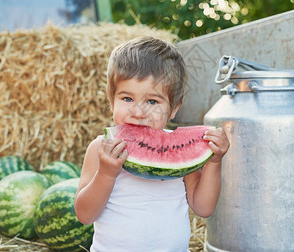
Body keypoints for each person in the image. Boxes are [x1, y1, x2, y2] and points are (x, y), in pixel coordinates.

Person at [74, 36, 230, 252]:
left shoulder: (177, 153)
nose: (138, 112)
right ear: (111, 101)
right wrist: (106, 174)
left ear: (174, 108)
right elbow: (84, 214)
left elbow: (203, 208)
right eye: (127, 99)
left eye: (152, 102)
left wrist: (213, 162)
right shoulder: (100, 149)